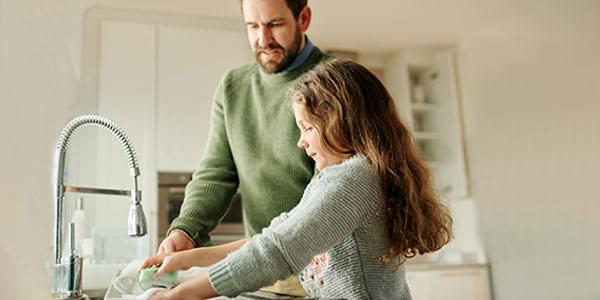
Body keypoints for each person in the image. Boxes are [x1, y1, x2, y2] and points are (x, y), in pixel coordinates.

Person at [143, 58, 455, 300]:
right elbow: (276, 235)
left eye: (307, 127)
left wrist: (181, 294)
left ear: (339, 121)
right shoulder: (342, 175)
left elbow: (277, 251)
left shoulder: (351, 181)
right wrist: (189, 259)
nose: (301, 142)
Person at [158, 0, 329, 294]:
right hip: (261, 271)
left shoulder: (336, 82)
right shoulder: (233, 87)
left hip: (323, 276)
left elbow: (326, 198)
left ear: (304, 18)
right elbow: (215, 173)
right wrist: (186, 229)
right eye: (253, 26)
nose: (263, 40)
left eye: (275, 24)